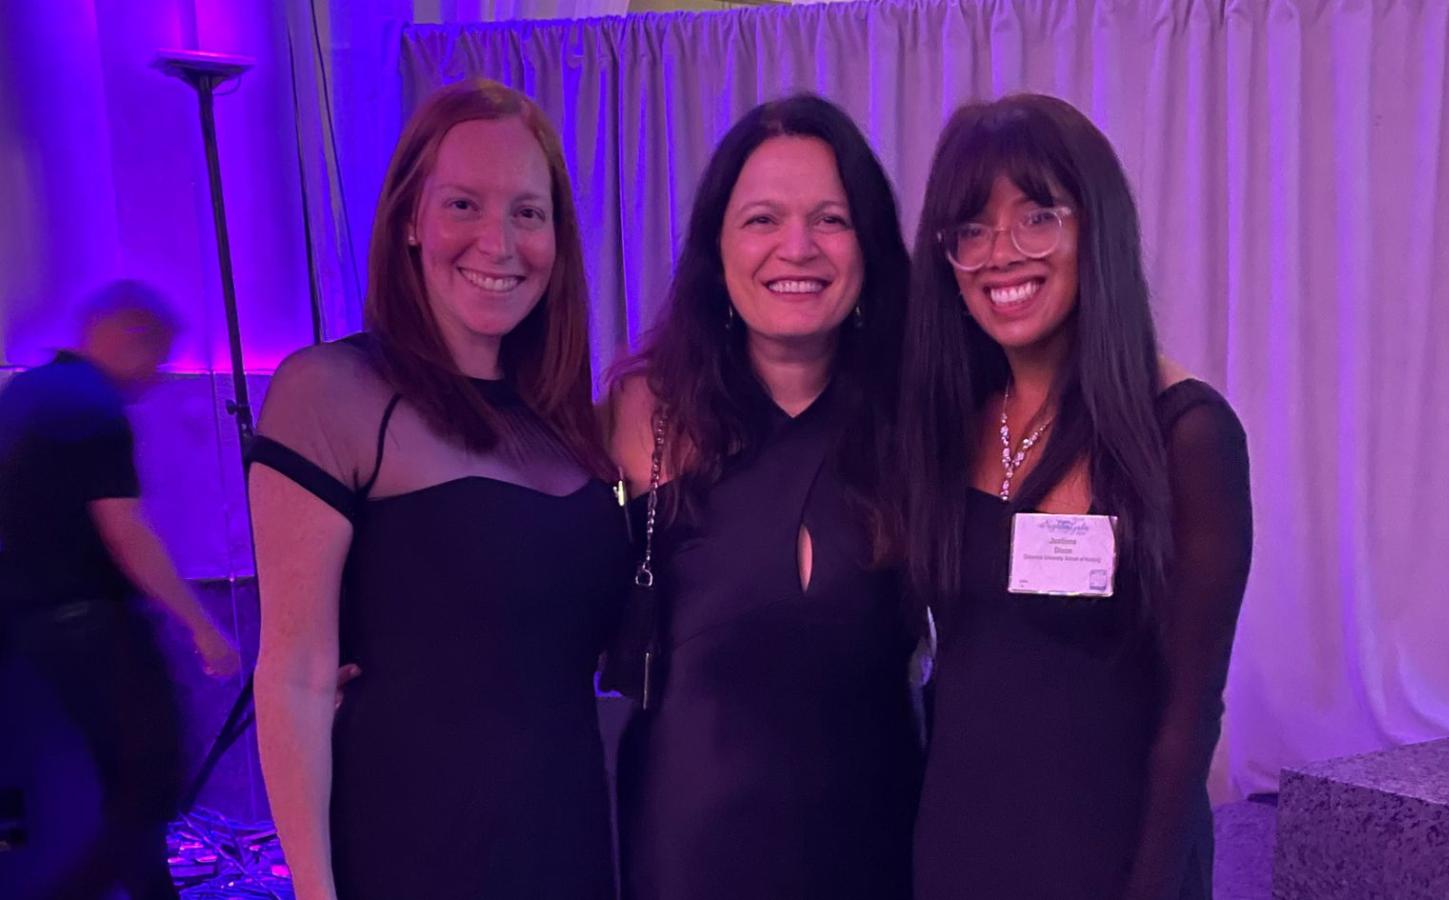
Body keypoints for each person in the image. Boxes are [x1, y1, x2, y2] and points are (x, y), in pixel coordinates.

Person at [248, 78, 627, 900]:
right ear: (410, 221)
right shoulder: (331, 392)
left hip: (565, 844)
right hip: (409, 850)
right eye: (463, 204)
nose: (498, 241)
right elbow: (295, 675)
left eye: (528, 213)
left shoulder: (567, 425)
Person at [899, 94, 1253, 900]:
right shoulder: (949, 423)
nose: (1002, 255)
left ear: (1096, 227)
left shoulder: (1185, 436)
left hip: (1107, 860)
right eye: (972, 230)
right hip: (958, 847)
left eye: (1037, 217)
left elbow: (1188, 719)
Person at [608, 94, 921, 900]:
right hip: (688, 854)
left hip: (877, 849)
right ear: (717, 246)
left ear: (870, 245)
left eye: (831, 219)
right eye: (760, 220)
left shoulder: (923, 421)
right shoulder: (642, 413)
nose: (797, 247)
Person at [0, 279, 239, 900]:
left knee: (111, 790)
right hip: (93, 623)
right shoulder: (93, 408)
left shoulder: (23, 393)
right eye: (158, 357)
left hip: (26, 623)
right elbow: (124, 530)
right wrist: (203, 626)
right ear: (129, 335)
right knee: (151, 781)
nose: (156, 378)